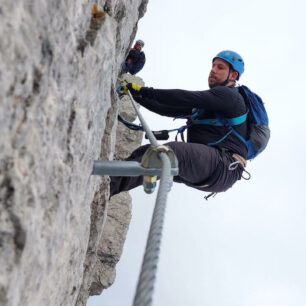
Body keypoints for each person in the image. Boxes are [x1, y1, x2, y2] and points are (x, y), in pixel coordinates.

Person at [112, 50, 249, 198]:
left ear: (233, 76)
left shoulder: (229, 96)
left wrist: (144, 90)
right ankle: (109, 179)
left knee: (167, 154)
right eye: (213, 66)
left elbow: (184, 98)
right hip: (212, 168)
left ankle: (108, 185)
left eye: (220, 67)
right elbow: (166, 108)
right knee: (146, 152)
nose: (213, 71)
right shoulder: (208, 106)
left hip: (224, 165)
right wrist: (137, 96)